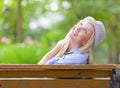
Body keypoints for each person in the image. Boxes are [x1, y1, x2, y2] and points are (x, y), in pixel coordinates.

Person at [38, 16, 105, 65]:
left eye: (85, 30)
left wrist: (58, 47)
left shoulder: (75, 58)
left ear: (86, 42)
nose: (78, 28)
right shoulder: (75, 56)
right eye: (80, 24)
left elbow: (40, 68)